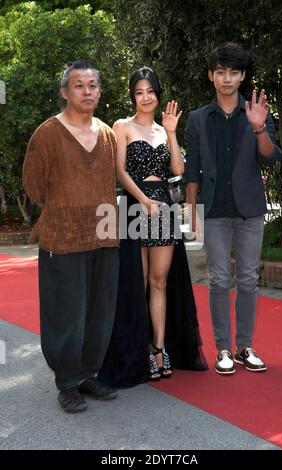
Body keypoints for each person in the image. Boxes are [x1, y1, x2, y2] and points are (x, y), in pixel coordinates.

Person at [100, 66, 208, 388]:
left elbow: (177, 170)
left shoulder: (164, 130)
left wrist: (172, 134)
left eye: (150, 91)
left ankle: (159, 349)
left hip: (163, 208)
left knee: (160, 282)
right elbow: (119, 171)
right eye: (139, 92)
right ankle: (138, 349)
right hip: (134, 207)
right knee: (139, 282)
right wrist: (142, 200)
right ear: (133, 96)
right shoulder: (122, 126)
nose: (145, 97)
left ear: (158, 94)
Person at [23, 59, 119, 412]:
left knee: (99, 312)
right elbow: (33, 186)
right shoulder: (47, 133)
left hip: (104, 236)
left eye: (93, 85)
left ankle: (88, 373)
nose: (87, 91)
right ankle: (66, 382)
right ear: (65, 92)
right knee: (66, 313)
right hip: (62, 239)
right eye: (79, 85)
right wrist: (65, 209)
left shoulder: (108, 133)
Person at [184, 42, 282, 375]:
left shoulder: (256, 112)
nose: (227, 79)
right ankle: (223, 349)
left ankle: (244, 347)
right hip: (213, 212)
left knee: (249, 281)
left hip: (250, 211)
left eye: (234, 73)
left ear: (242, 77)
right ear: (211, 76)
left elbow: (269, 155)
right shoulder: (197, 119)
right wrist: (192, 213)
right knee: (219, 281)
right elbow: (192, 170)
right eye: (221, 72)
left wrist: (258, 127)